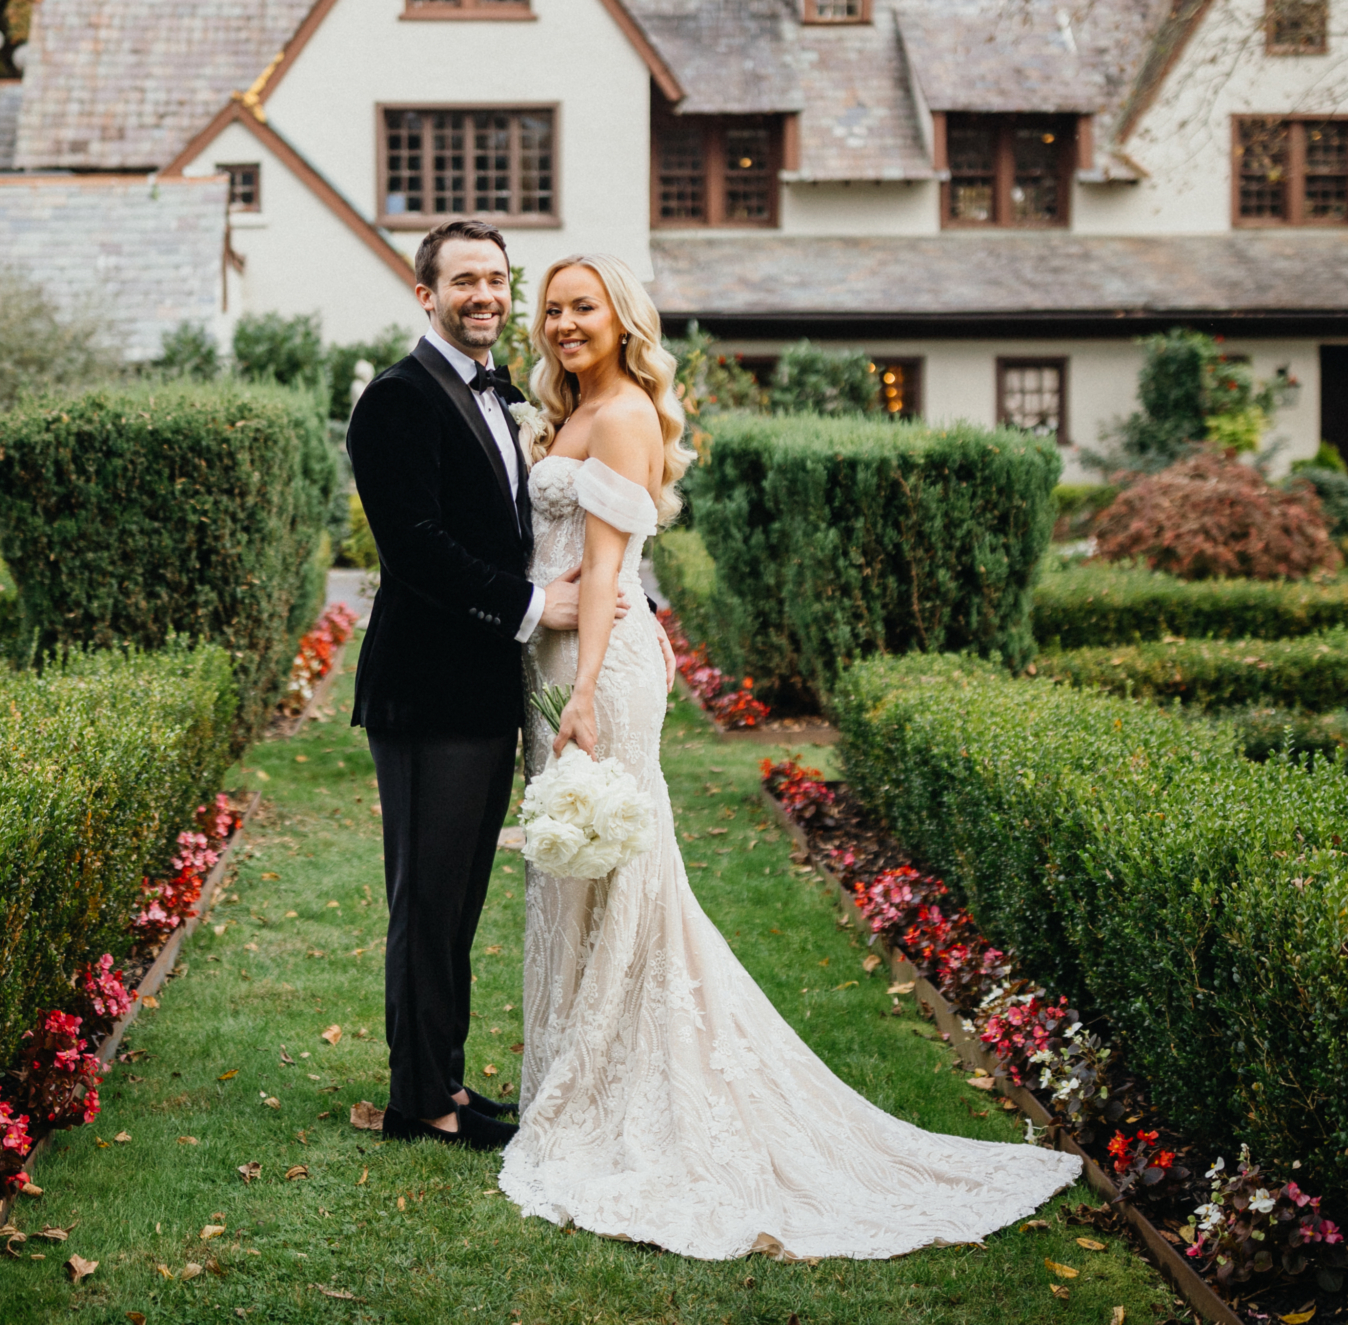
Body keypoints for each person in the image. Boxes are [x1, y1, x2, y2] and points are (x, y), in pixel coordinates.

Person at [498, 251, 1084, 1258]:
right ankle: (574, 1079)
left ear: (619, 316)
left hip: (598, 664)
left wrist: (585, 692)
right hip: (553, 656)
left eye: (582, 306)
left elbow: (604, 570)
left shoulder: (627, 412)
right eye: (550, 308)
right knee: (574, 874)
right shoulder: (564, 413)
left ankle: (609, 1086)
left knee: (618, 870)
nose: (562, 322)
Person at [344, 218, 620, 1152]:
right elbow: (418, 552)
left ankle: (445, 1080)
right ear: (426, 294)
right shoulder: (394, 400)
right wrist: (540, 606)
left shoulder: (495, 396)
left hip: (480, 693)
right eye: (464, 280)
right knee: (425, 899)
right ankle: (418, 1097)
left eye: (498, 280)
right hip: (424, 697)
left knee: (457, 901)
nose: (486, 296)